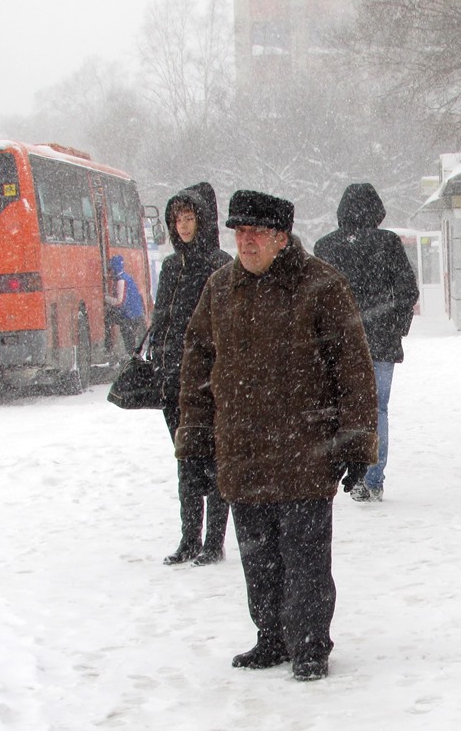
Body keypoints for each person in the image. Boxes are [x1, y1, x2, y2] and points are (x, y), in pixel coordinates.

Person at [175, 189, 378, 682]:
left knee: (305, 556)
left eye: (256, 233)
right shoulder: (220, 288)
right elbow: (197, 368)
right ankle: (270, 637)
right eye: (239, 233)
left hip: (304, 452)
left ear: (282, 238)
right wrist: (197, 442)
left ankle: (310, 644)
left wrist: (354, 443)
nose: (245, 243)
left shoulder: (321, 285)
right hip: (242, 450)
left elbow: (352, 370)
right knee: (259, 555)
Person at [314, 183, 419, 503]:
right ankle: (373, 477)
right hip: (379, 341)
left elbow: (315, 297)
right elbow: (407, 291)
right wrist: (395, 326)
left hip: (337, 343)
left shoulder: (325, 247)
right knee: (377, 410)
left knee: (339, 409)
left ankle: (347, 472)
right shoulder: (387, 243)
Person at [151, 183, 232, 567]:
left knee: (214, 460)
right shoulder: (170, 267)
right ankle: (189, 538)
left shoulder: (219, 263)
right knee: (185, 460)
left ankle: (213, 542)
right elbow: (161, 319)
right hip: (176, 380)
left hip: (209, 379)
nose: (182, 226)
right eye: (176, 219)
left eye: (188, 218)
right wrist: (164, 364)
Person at [104, 254, 146, 356]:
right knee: (129, 337)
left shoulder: (121, 280)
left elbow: (120, 301)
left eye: (111, 269)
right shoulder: (127, 277)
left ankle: (110, 347)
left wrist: (106, 298)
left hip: (129, 316)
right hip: (135, 315)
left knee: (109, 319)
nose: (110, 272)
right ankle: (133, 355)